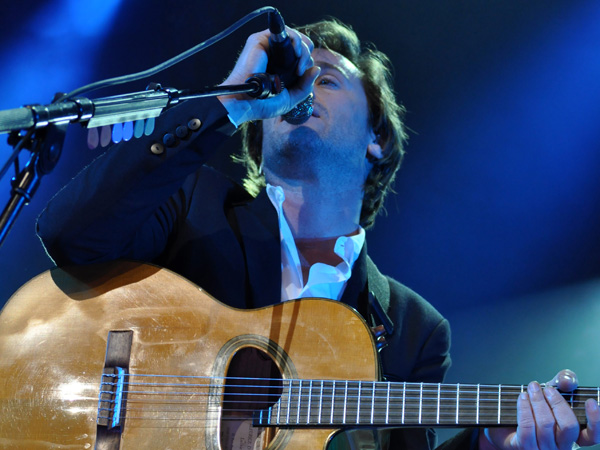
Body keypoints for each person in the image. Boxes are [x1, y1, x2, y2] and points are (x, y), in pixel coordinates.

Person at [36, 17, 599, 450]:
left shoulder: (411, 329)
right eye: (289, 83)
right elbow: (68, 232)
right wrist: (232, 100)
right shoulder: (190, 203)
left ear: (376, 137)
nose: (301, 90)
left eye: (325, 79)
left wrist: (489, 442)